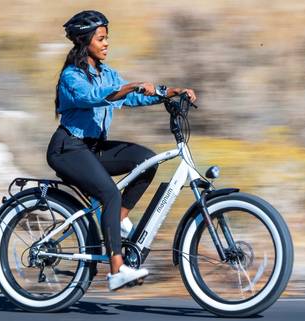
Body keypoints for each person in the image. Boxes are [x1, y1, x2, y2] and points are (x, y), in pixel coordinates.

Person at [46, 10, 196, 291]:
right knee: (110, 193)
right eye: (100, 39)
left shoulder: (108, 74)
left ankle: (118, 218)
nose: (106, 44)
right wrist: (128, 87)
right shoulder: (71, 77)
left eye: (107, 39)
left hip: (93, 148)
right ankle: (116, 270)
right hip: (68, 148)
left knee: (146, 160)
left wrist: (174, 91)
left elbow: (136, 95)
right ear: (84, 41)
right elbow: (92, 98)